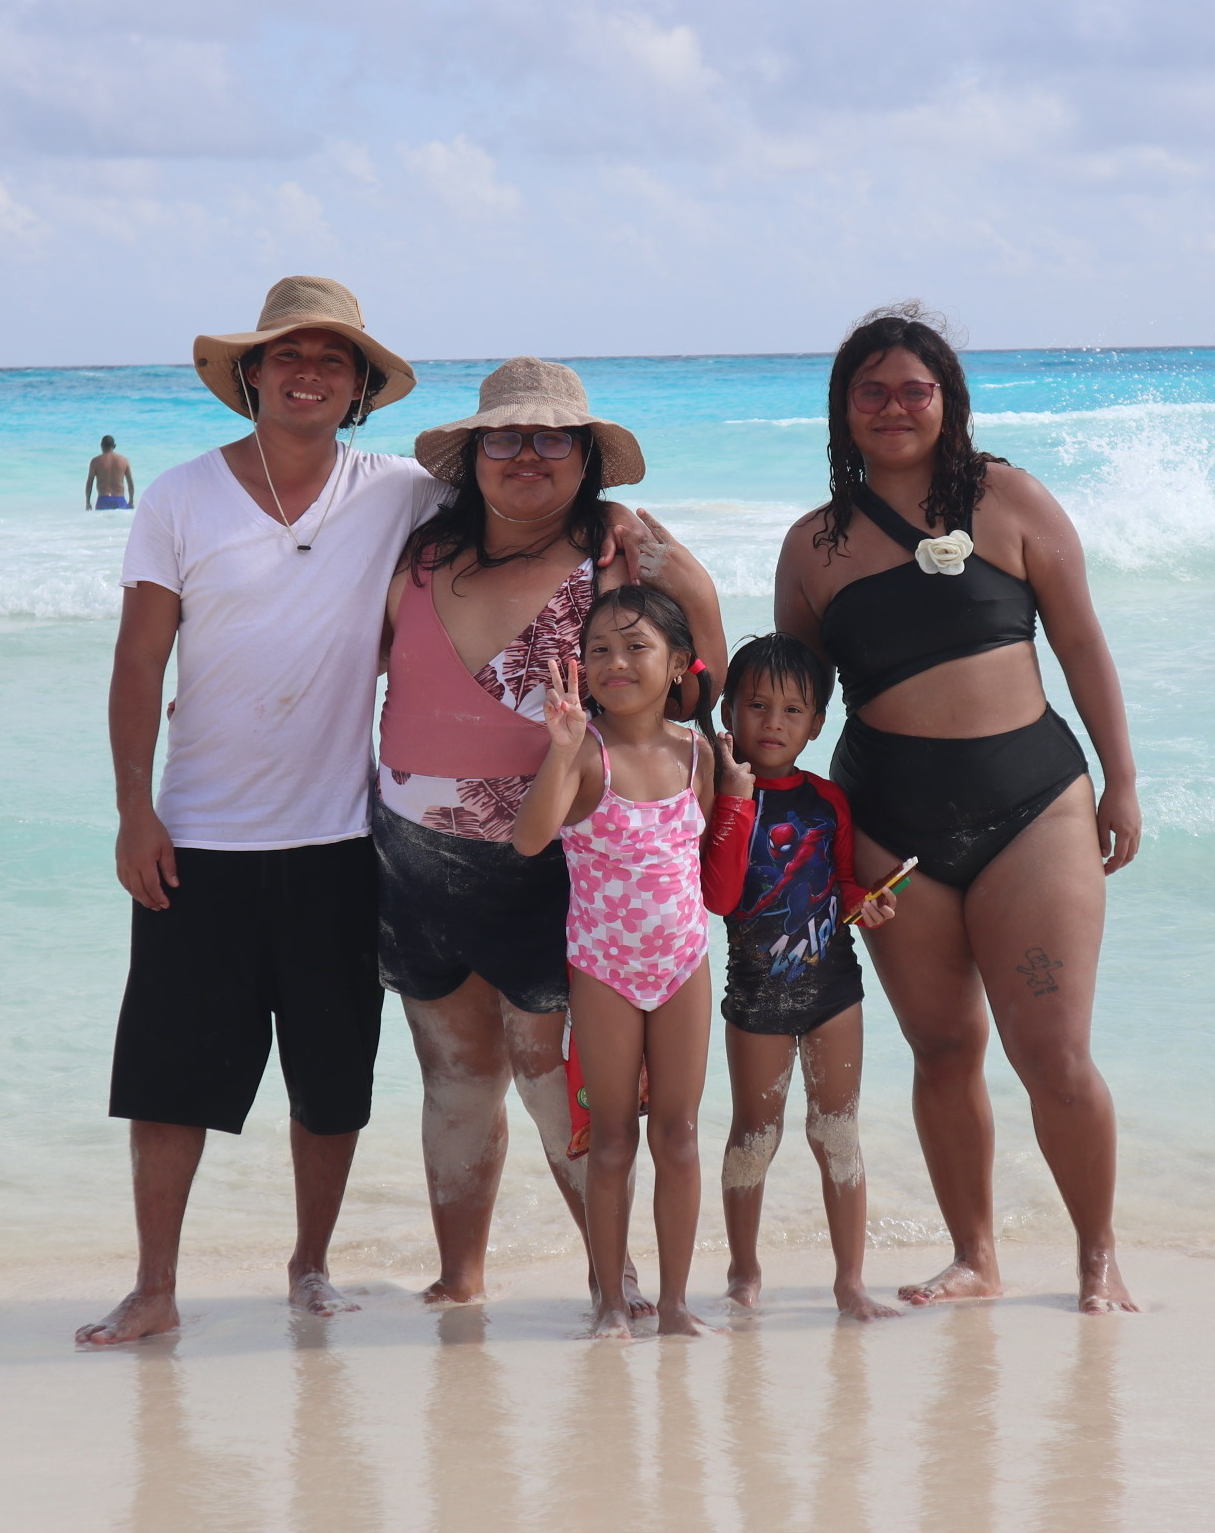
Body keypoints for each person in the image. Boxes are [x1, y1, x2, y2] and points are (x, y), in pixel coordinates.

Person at [77, 275, 437, 1348]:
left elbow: (522, 524)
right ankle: (154, 1287)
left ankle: (311, 1264)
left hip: (341, 841)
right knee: (168, 1083)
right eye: (289, 355)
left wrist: (636, 547)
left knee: (333, 1082)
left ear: (360, 386)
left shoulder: (401, 491)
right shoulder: (180, 497)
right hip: (198, 843)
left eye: (333, 360)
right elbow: (139, 662)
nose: (309, 374)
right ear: (251, 375)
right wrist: (134, 811)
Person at [773, 305, 1144, 1315]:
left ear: (949, 401)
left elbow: (1081, 642)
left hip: (1034, 805)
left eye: (914, 389)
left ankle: (1098, 1258)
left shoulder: (1009, 499)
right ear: (844, 408)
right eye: (872, 391)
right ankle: (975, 1256)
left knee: (1054, 1053)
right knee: (944, 1051)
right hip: (889, 821)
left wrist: (1121, 778)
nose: (893, 407)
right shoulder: (813, 546)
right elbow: (789, 701)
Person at [376, 357, 725, 1309]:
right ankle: (460, 1279)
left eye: (551, 438)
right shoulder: (419, 555)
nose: (526, 455)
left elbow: (696, 684)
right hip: (415, 867)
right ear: (473, 456)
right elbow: (341, 665)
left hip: (554, 870)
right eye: (505, 436)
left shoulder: (616, 560)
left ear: (585, 458)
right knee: (455, 1078)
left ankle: (618, 1280)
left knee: (547, 1078)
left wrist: (687, 577)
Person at [513, 586, 719, 1339]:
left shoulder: (698, 753)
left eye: (637, 647)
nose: (615, 662)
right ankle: (608, 1303)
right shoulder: (585, 753)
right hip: (604, 970)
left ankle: (675, 1305)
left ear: (678, 664)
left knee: (679, 1137)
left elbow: (700, 855)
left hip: (684, 964)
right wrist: (561, 747)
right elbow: (528, 840)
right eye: (598, 649)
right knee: (610, 1142)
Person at [701, 633, 902, 1321]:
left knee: (837, 1133)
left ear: (817, 724)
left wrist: (867, 904)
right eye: (757, 705)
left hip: (833, 990)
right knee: (755, 1136)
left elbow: (841, 884)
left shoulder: (827, 800)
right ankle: (743, 1272)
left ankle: (850, 1281)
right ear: (728, 713)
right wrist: (734, 798)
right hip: (755, 994)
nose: (773, 722)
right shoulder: (718, 796)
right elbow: (720, 897)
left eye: (792, 710)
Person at [87, 436, 135, 509]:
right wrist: (131, 501)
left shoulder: (95, 461)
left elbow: (89, 484)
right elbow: (130, 484)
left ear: (101, 445)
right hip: (119, 500)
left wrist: (88, 502)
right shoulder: (124, 461)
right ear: (114, 446)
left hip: (103, 500)